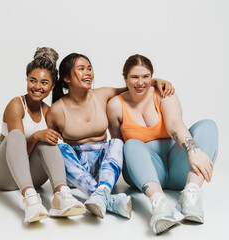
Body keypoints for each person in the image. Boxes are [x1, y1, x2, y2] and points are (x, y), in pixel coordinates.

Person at [46, 53, 174, 219]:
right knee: (56, 147)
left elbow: (132, 87)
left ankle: (102, 192)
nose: (88, 73)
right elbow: (51, 151)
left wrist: (155, 81)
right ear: (66, 78)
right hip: (75, 173)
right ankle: (106, 198)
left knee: (117, 143)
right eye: (81, 69)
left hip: (104, 171)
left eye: (90, 68)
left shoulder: (102, 94)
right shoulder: (55, 110)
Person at [107, 54, 218, 234]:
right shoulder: (115, 106)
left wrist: (193, 150)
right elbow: (116, 145)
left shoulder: (163, 93)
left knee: (208, 126)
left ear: (152, 77)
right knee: (130, 144)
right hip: (144, 173)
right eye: (134, 77)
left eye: (146, 76)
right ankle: (159, 203)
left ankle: (191, 194)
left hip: (176, 168)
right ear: (125, 78)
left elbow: (175, 123)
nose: (140, 82)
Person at [0, 47, 85, 224]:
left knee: (50, 140)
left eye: (44, 83)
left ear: (52, 86)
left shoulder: (48, 112)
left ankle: (61, 195)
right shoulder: (16, 105)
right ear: (26, 81)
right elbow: (19, 150)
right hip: (2, 175)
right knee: (16, 135)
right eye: (33, 81)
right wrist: (35, 136)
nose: (38, 87)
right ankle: (30, 200)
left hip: (33, 177)